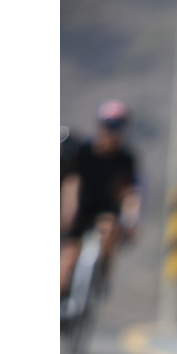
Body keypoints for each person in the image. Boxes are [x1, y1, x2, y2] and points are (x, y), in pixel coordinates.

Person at [60, 100, 141, 299]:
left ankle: (100, 276)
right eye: (110, 126)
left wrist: (131, 219)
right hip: (81, 208)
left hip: (105, 209)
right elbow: (71, 181)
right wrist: (68, 209)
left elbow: (130, 192)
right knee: (69, 257)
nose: (114, 132)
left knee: (109, 228)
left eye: (119, 127)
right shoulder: (84, 151)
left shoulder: (125, 158)